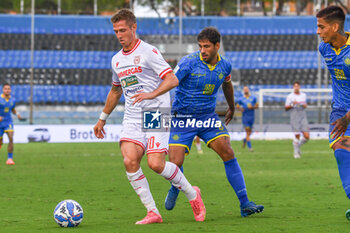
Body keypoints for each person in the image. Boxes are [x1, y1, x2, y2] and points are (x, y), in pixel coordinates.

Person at [93, 9, 205, 224]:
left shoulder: (148, 51)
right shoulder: (116, 60)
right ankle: (152, 212)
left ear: (134, 28)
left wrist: (151, 94)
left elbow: (172, 79)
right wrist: (102, 118)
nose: (119, 34)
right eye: (116, 31)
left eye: (123, 30)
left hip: (155, 112)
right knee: (129, 160)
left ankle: (192, 194)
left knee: (155, 164)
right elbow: (116, 90)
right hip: (133, 116)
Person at [164, 27, 264, 217]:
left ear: (217, 46)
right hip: (182, 117)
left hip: (207, 117)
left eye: (207, 46)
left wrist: (232, 106)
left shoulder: (225, 66)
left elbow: (226, 84)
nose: (203, 50)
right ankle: (176, 185)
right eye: (200, 46)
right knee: (175, 163)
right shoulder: (188, 63)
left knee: (228, 151)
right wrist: (153, 97)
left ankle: (245, 203)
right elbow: (171, 81)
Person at [317, 5, 350, 220]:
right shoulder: (324, 48)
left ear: (335, 27)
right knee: (341, 151)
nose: (318, 32)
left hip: (346, 115)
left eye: (322, 27)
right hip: (340, 110)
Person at [285, 81, 310, 159]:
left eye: (297, 86)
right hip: (294, 116)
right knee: (297, 135)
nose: (296, 87)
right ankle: (296, 153)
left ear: (299, 87)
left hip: (303, 116)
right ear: (293, 87)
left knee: (307, 136)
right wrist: (293, 104)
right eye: (295, 86)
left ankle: (297, 147)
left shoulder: (303, 95)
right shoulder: (290, 96)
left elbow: (305, 105)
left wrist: (303, 104)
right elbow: (286, 108)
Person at [0, 83, 22, 165]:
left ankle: (10, 159)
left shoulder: (13, 100)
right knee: (0, 141)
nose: (7, 90)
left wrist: (17, 114)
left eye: (8, 89)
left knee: (11, 137)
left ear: (10, 90)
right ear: (3, 89)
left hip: (8, 122)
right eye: (5, 88)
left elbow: (12, 109)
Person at [236, 86, 258, 152]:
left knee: (249, 133)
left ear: (248, 90)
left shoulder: (253, 98)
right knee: (247, 132)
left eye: (246, 89)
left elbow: (257, 106)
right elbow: (237, 106)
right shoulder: (241, 99)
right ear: (243, 91)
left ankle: (245, 140)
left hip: (251, 117)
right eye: (244, 89)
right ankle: (250, 148)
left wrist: (253, 107)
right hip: (245, 117)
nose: (245, 90)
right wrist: (240, 109)